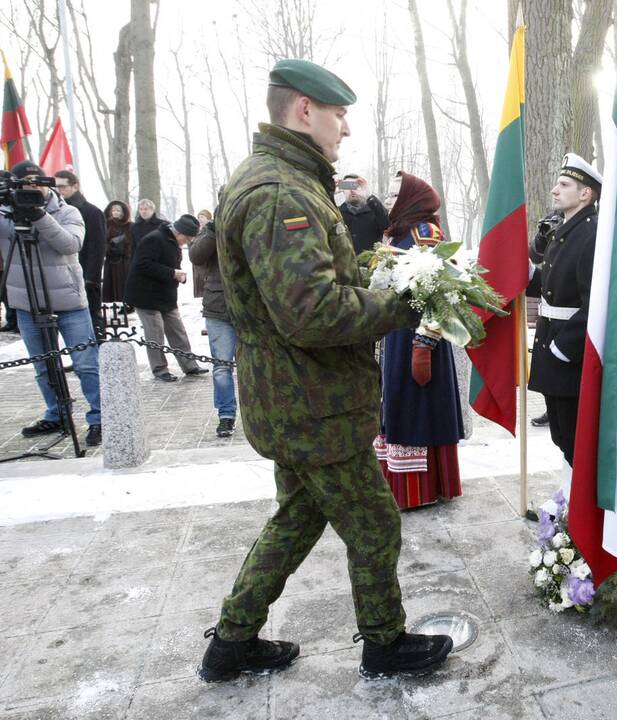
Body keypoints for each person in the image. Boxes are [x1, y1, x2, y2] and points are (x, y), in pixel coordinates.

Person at [197, 58, 452, 684]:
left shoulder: (287, 178)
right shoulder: (282, 190)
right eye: (339, 115)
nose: (344, 129)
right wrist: (402, 303)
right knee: (374, 523)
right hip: (311, 404)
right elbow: (311, 312)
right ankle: (384, 644)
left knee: (298, 517)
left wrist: (376, 270)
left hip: (296, 398)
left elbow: (312, 282)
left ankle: (231, 643)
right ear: (304, 109)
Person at [375, 171, 464, 509]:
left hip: (420, 337)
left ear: (412, 199)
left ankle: (421, 490)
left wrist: (424, 343)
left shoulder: (424, 232)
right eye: (388, 192)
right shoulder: (396, 231)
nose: (388, 198)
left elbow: (440, 289)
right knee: (398, 403)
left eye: (396, 193)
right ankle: (396, 484)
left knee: (417, 409)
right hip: (397, 333)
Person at [0, 161, 101, 447]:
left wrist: (39, 215)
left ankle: (100, 418)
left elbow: (70, 244)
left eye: (36, 180)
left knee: (86, 364)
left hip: (70, 304)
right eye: (24, 182)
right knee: (44, 366)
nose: (32, 186)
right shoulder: (5, 215)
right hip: (28, 305)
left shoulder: (68, 211)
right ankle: (56, 413)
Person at [525, 153, 601, 513]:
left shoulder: (591, 234)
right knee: (560, 433)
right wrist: (528, 275)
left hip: (568, 353)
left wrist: (563, 347)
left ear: (586, 194)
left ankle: (579, 505)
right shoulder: (564, 229)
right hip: (551, 344)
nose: (555, 190)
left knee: (572, 435)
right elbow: (554, 289)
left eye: (565, 185)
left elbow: (595, 302)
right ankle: (569, 495)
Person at [124, 213, 207, 381]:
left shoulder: (172, 241)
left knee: (178, 331)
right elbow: (143, 264)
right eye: (188, 238)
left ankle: (189, 365)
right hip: (145, 296)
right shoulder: (154, 239)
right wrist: (172, 273)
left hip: (165, 295)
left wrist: (178, 275)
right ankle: (160, 369)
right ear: (180, 233)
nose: (188, 242)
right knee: (155, 333)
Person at [188, 212, 236, 437]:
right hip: (219, 307)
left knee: (255, 366)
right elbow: (196, 256)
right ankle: (226, 415)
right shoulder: (211, 230)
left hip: (251, 307)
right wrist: (214, 228)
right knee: (221, 366)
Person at [55, 170, 106, 339]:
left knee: (92, 320)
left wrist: (91, 279)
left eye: (62, 186)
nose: (58, 190)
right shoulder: (54, 213)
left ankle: (97, 357)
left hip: (85, 276)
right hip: (61, 276)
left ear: (75, 186)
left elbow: (97, 249)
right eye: (55, 187)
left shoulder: (92, 212)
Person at [338, 173, 389, 255]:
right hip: (345, 265)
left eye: (356, 185)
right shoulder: (337, 213)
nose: (352, 190)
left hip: (372, 264)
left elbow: (387, 225)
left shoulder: (375, 210)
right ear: (342, 189)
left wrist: (369, 196)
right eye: (347, 186)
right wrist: (329, 194)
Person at [102, 200, 134, 306]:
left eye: (118, 210)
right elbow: (102, 240)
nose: (115, 212)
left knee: (125, 283)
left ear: (123, 212)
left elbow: (132, 241)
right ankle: (116, 304)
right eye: (113, 210)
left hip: (124, 260)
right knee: (112, 285)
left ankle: (128, 304)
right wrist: (109, 249)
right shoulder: (106, 224)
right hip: (111, 259)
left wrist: (124, 248)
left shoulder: (130, 226)